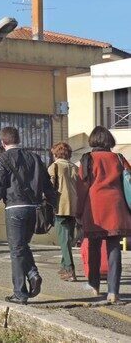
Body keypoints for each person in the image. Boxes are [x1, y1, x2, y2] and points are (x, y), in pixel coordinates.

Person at [0, 127, 57, 305]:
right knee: (22, 246)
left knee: (16, 251)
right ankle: (32, 274)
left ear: (2, 142)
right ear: (18, 139)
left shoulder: (2, 159)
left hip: (15, 209)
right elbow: (47, 185)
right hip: (34, 209)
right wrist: (53, 206)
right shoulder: (35, 157)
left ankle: (20, 293)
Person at [77, 126, 131, 304]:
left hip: (95, 207)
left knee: (93, 247)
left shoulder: (88, 159)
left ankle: (94, 285)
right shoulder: (119, 158)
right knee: (114, 249)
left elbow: (82, 186)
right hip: (116, 207)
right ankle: (113, 291)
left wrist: (78, 212)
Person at [48, 142, 79, 282]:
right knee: (67, 239)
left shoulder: (54, 166)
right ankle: (63, 266)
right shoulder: (75, 167)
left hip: (60, 207)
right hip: (74, 207)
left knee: (64, 240)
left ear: (55, 154)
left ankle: (69, 269)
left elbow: (49, 187)